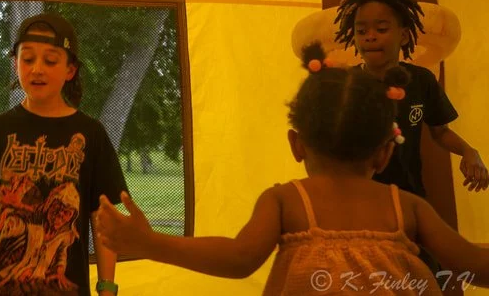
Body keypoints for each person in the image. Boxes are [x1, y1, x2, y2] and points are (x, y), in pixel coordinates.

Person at [96, 42, 489, 295]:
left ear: (296, 144)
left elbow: (238, 259)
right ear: (385, 154)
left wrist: (152, 243)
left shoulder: (287, 201)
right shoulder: (407, 206)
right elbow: (472, 265)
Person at [0, 13, 128, 296]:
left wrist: (107, 287)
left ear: (70, 70)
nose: (37, 69)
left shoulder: (92, 134)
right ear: (15, 63)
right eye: (28, 59)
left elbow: (102, 219)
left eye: (51, 60)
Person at [334, 0, 488, 196]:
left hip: (409, 194)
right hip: (357, 198)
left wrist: (468, 151)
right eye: (361, 31)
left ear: (404, 36)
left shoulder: (421, 80)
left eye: (381, 29)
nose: (370, 36)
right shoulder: (343, 83)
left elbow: (440, 131)